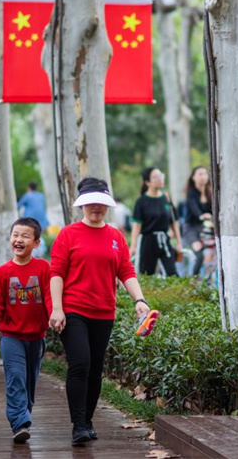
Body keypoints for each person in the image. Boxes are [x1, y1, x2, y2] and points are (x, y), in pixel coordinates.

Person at [49, 177, 152, 445]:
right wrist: (57, 309)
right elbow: (56, 272)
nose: (96, 207)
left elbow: (125, 271)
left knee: (95, 369)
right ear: (82, 205)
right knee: (80, 363)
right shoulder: (68, 234)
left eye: (101, 203)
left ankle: (88, 420)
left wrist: (140, 299)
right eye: (90, 203)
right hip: (73, 310)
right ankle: (78, 424)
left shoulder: (116, 236)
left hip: (104, 312)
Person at [0, 217, 51, 444]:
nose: (18, 240)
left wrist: (55, 315)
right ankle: (19, 422)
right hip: (11, 336)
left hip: (36, 337)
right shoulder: (3, 271)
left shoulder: (44, 268)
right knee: (15, 377)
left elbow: (49, 297)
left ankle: (23, 414)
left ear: (36, 243)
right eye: (15, 235)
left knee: (29, 382)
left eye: (25, 236)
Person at [129, 167, 182, 277]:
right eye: (155, 177)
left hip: (164, 239)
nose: (160, 179)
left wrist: (179, 242)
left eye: (161, 175)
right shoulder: (141, 202)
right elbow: (137, 226)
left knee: (172, 273)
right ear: (147, 182)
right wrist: (133, 246)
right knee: (146, 274)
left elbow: (174, 223)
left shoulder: (166, 199)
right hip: (147, 241)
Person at [182, 166, 212, 276]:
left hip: (206, 228)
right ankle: (194, 280)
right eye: (200, 174)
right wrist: (201, 215)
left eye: (205, 174)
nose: (203, 177)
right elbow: (193, 207)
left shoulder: (210, 192)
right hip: (191, 228)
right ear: (193, 177)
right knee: (199, 254)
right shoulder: (191, 192)